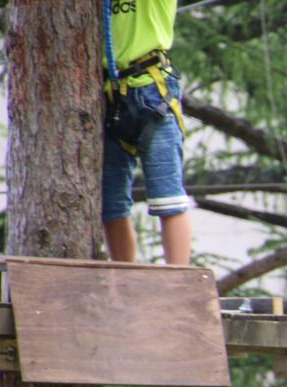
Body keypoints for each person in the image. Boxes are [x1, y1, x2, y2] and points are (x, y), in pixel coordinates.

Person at [103, 0, 192, 265]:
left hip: (152, 90)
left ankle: (178, 282)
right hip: (109, 93)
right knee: (110, 204)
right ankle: (125, 281)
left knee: (168, 196)